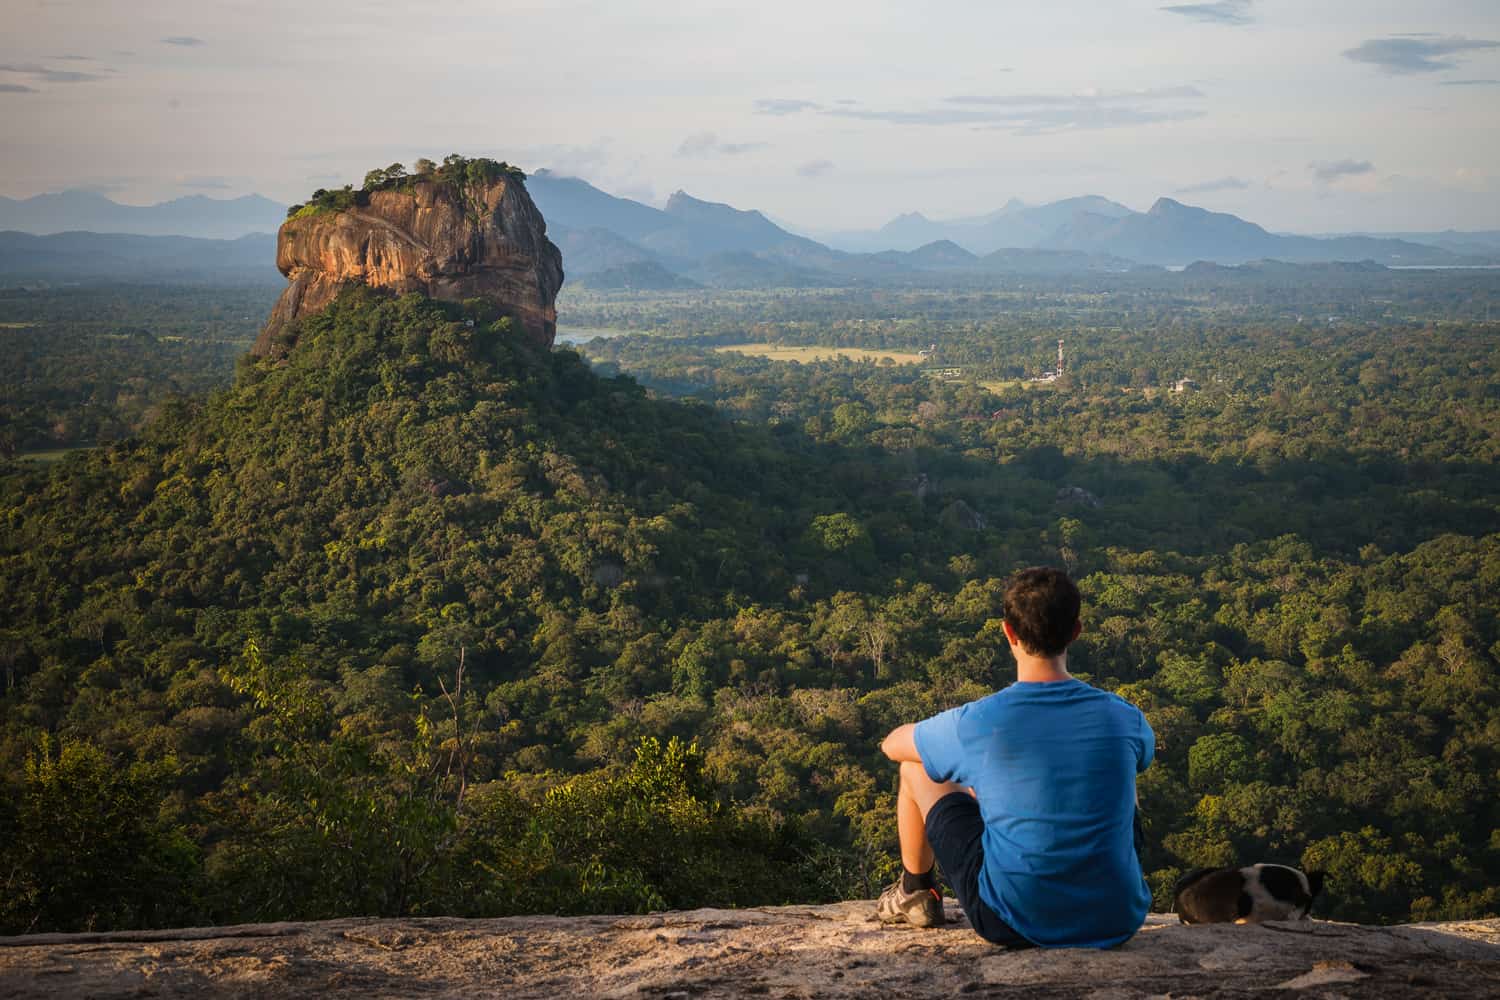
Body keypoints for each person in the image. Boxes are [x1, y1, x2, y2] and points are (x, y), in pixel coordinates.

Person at [876, 566, 1154, 948]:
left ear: (1008, 632)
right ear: (1077, 631)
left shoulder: (980, 722)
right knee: (1118, 769)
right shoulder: (1124, 717)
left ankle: (916, 892)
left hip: (1011, 919)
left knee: (915, 765)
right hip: (1115, 918)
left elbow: (893, 745)